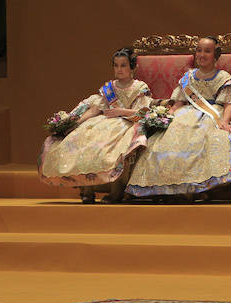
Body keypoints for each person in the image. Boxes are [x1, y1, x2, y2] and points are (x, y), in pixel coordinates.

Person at [126, 36, 231, 198]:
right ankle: (172, 187)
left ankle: (197, 187)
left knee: (204, 138)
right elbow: (177, 104)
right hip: (185, 114)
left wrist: (225, 122)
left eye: (207, 51)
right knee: (167, 138)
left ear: (215, 55)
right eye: (199, 50)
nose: (202, 55)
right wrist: (166, 118)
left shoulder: (223, 78)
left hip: (212, 115)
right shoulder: (188, 77)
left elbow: (228, 104)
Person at [38, 48, 151, 203]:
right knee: (84, 139)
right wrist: (75, 123)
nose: (119, 69)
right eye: (116, 65)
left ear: (132, 67)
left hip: (126, 123)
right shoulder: (109, 87)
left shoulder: (139, 87)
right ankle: (87, 189)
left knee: (111, 149)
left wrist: (119, 111)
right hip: (103, 122)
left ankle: (115, 191)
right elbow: (95, 109)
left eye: (123, 65)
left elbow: (142, 113)